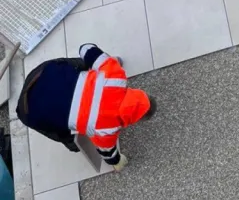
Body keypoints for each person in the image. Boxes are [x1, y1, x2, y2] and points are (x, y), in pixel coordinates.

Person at [16, 43, 154, 170]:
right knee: (69, 138)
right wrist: (117, 162)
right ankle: (73, 146)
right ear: (134, 119)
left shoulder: (116, 76)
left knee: (85, 65)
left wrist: (110, 63)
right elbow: (108, 153)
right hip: (28, 110)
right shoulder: (106, 130)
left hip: (41, 74)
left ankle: (98, 66)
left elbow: (85, 48)